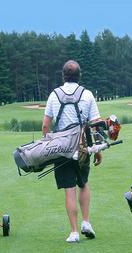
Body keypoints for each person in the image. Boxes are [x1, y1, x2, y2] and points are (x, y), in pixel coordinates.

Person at [42, 60, 101, 243]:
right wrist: (98, 150)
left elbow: (45, 126)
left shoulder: (54, 95)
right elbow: (96, 125)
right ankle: (86, 222)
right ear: (79, 76)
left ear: (63, 76)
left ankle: (74, 232)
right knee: (83, 183)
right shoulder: (88, 94)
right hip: (83, 147)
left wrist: (49, 145)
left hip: (61, 148)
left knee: (69, 189)